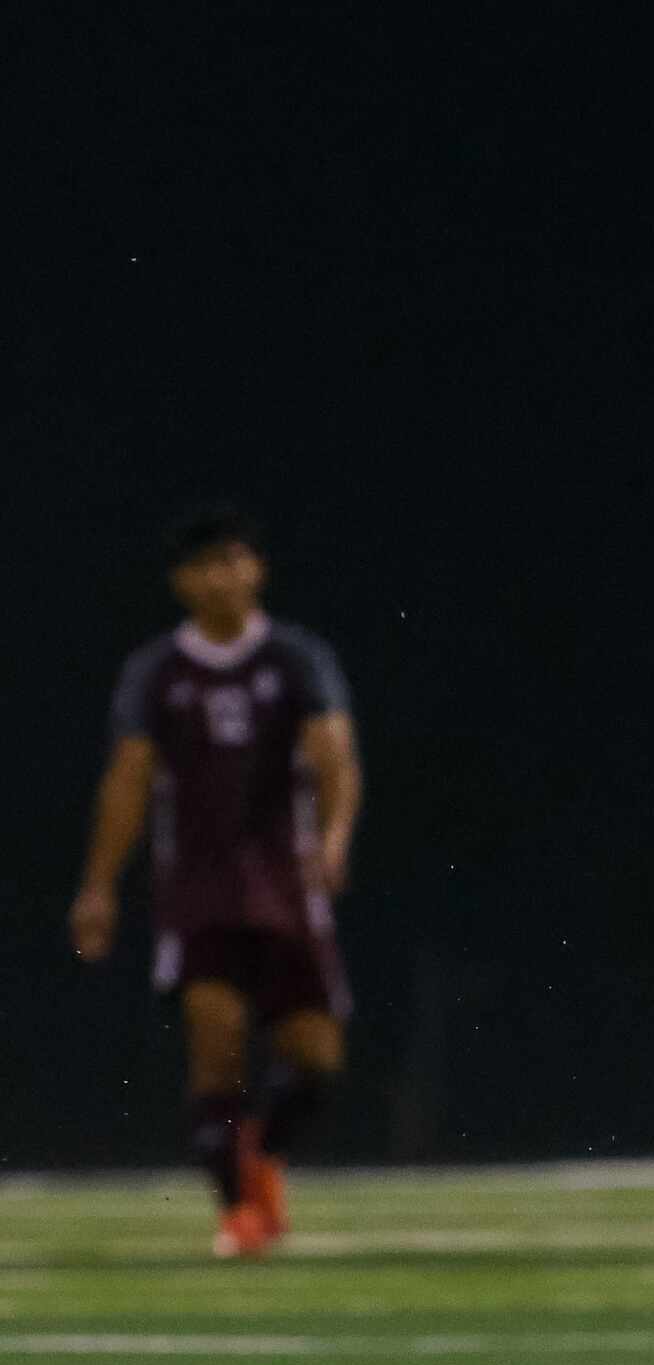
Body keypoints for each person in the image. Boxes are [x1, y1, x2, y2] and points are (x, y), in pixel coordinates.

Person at [70, 507, 362, 1260]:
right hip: (197, 894)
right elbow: (128, 778)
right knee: (217, 1041)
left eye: (231, 560)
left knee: (318, 1062)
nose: (218, 577)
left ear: (256, 569)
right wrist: (99, 886)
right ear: (179, 582)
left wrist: (332, 838)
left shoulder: (296, 659)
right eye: (202, 566)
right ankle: (238, 1213)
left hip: (284, 890)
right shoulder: (157, 671)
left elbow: (334, 756)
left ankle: (262, 1154)